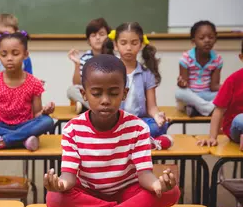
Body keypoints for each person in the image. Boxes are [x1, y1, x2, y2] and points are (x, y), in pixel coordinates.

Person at [44, 54, 180, 207]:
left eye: (114, 93)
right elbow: (69, 176)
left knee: (171, 191)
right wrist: (60, 184)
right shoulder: (72, 129)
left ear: (124, 93)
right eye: (97, 93)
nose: (105, 100)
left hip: (126, 192)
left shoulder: (138, 128)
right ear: (84, 95)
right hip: (89, 193)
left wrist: (157, 184)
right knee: (54, 197)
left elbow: (144, 175)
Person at [0, 32, 54, 151]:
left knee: (47, 121)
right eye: (4, 54)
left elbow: (37, 114)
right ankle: (22, 139)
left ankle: (1, 142)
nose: (9, 58)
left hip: (25, 124)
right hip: (0, 125)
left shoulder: (35, 83)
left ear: (26, 55)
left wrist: (45, 111)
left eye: (15, 53)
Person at [103, 22, 173, 150]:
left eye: (134, 43)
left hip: (139, 122)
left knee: (161, 125)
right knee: (106, 128)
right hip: (115, 122)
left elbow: (152, 107)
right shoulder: (109, 71)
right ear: (115, 45)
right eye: (123, 43)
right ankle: (149, 142)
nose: (129, 48)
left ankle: (133, 141)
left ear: (141, 45)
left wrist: (158, 116)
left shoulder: (147, 74)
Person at [197, 39, 243, 151]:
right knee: (240, 119)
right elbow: (218, 110)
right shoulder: (233, 80)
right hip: (237, 126)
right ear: (241, 57)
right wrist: (212, 137)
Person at [175, 21, 223, 117]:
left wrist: (227, 88)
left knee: (225, 94)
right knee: (179, 92)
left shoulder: (217, 60)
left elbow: (213, 86)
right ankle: (208, 109)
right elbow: (184, 85)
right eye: (202, 38)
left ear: (215, 39)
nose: (207, 40)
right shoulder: (186, 58)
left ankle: (196, 110)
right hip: (191, 95)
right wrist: (181, 83)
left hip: (207, 96)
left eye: (211, 37)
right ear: (193, 40)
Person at [67, 18, 111, 113]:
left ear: (108, 36)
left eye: (102, 34)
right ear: (89, 40)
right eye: (93, 35)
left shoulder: (115, 57)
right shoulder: (85, 58)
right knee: (71, 90)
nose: (98, 38)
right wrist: (77, 64)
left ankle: (87, 108)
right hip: (93, 93)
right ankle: (98, 109)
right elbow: (77, 84)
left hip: (110, 93)